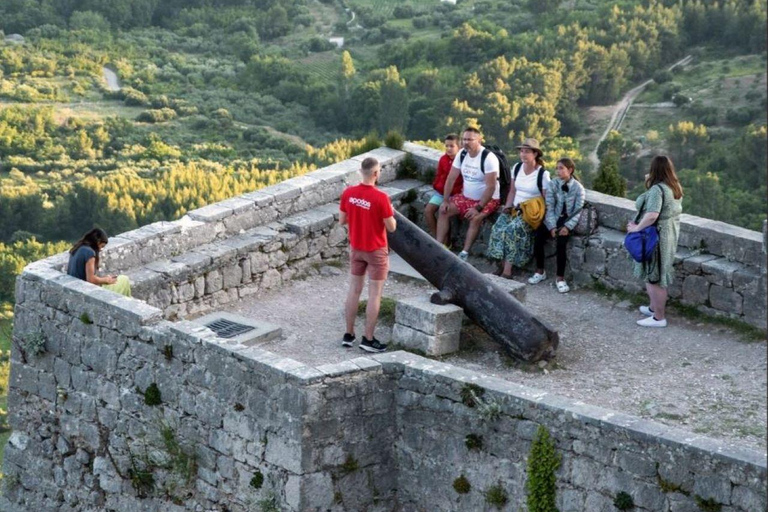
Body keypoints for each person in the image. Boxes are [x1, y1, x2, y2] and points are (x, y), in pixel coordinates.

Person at [340, 157, 397, 352]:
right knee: (374, 294)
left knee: (354, 290)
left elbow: (342, 220)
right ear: (376, 173)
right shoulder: (381, 197)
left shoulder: (348, 193)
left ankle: (348, 334)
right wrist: (390, 213)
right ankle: (368, 339)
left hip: (356, 247)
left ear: (361, 172)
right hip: (376, 250)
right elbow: (391, 227)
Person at [627, 155, 683, 327]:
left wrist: (636, 228)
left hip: (655, 237)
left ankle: (659, 317)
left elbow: (652, 215)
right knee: (656, 273)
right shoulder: (674, 187)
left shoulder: (657, 190)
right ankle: (653, 308)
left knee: (654, 277)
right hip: (668, 234)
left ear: (653, 170)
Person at [486, 138, 550, 278]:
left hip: (529, 214)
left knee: (512, 230)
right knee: (498, 227)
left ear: (535, 154)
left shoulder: (542, 175)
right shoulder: (517, 168)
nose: (523, 154)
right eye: (522, 151)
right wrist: (508, 206)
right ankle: (500, 264)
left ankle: (507, 271)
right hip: (514, 209)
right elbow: (512, 191)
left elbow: (546, 199)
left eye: (527, 152)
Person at [436, 127, 501, 261]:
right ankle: (438, 246)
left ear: (479, 141)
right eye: (464, 139)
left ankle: (464, 253)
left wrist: (478, 208)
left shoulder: (489, 158)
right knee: (443, 211)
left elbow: (491, 187)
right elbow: (451, 178)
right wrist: (446, 200)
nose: (466, 142)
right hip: (466, 196)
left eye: (470, 139)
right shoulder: (462, 154)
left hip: (488, 199)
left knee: (475, 218)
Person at [529, 158, 585, 293]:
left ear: (570, 170)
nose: (558, 171)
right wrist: (552, 227)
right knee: (538, 237)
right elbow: (549, 206)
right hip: (553, 217)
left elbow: (578, 211)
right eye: (557, 168)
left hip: (567, 220)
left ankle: (560, 277)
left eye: (561, 168)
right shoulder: (553, 184)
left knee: (561, 244)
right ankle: (540, 270)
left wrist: (567, 227)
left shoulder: (578, 188)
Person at [67, 228, 131, 296]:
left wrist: (103, 279)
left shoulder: (78, 247)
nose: (101, 249)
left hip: (75, 287)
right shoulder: (90, 253)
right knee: (124, 279)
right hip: (86, 291)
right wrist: (106, 280)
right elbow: (90, 280)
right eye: (102, 246)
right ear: (97, 242)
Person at [424, 134, 462, 237]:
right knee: (428, 211)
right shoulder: (443, 159)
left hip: (454, 194)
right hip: (441, 192)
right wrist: (436, 185)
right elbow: (439, 174)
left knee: (444, 211)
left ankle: (445, 241)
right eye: (446, 146)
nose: (448, 149)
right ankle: (436, 237)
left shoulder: (462, 161)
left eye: (452, 146)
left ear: (459, 147)